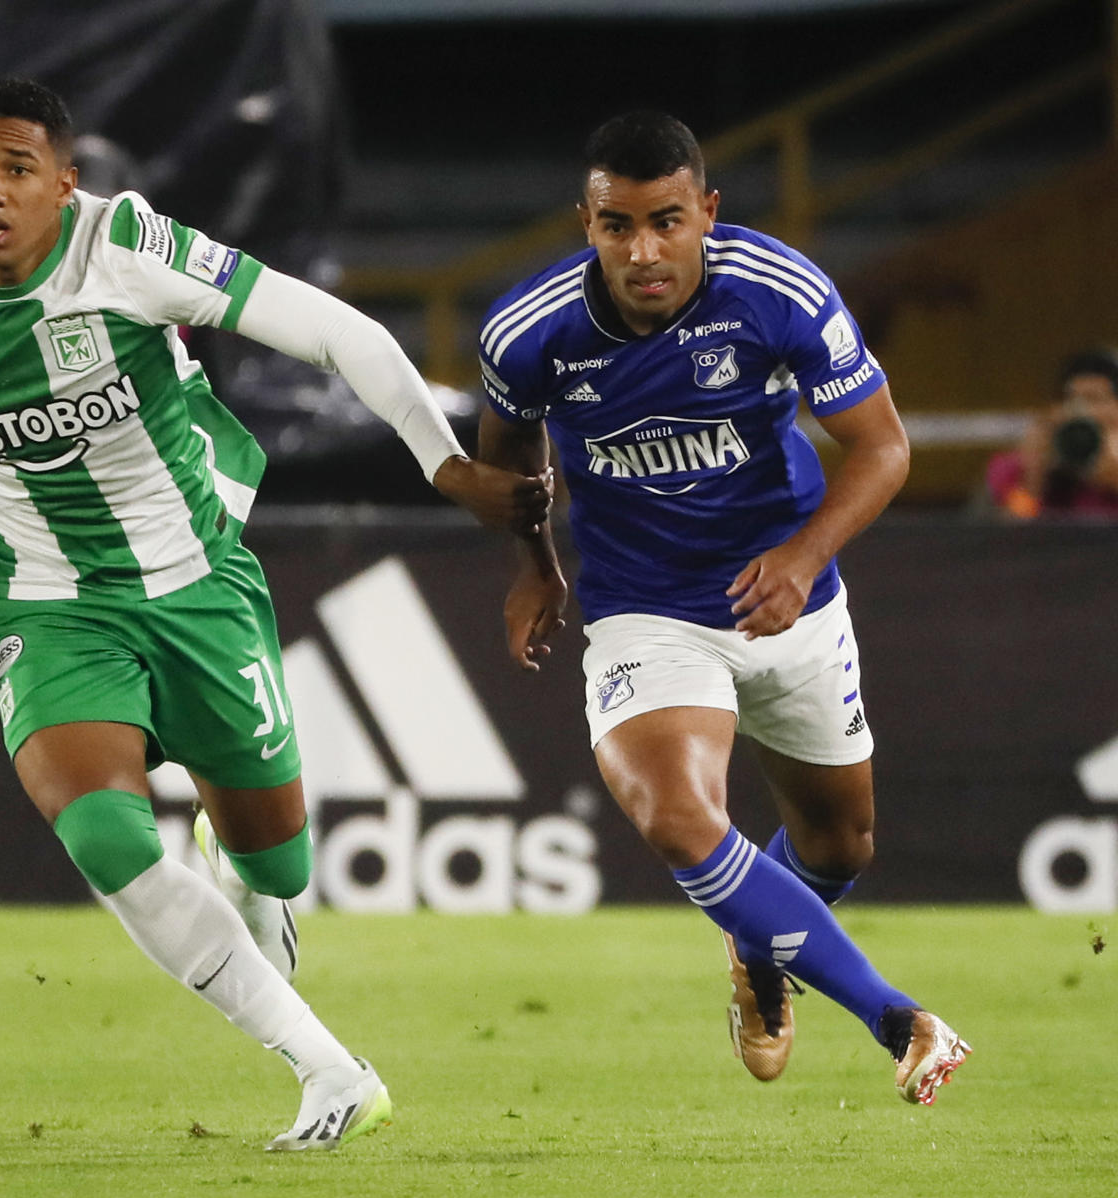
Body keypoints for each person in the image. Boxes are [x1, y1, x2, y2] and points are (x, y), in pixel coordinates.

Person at [0, 77, 549, 1150]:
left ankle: (240, 848)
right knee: (103, 831)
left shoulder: (130, 246)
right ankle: (331, 1071)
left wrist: (445, 465)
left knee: (279, 865)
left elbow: (336, 332)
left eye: (15, 170)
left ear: (66, 185)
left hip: (194, 577)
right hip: (47, 599)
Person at [473, 111, 969, 1105]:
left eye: (666, 221)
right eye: (617, 226)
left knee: (840, 844)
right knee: (678, 816)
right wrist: (537, 562)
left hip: (789, 599)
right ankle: (899, 1017)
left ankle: (760, 954)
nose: (643, 251)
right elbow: (509, 454)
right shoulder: (527, 333)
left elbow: (884, 448)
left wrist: (801, 555)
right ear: (587, 223)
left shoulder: (777, 293)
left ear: (707, 212)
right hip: (644, 611)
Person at [986, 347, 1118, 517]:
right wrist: (1033, 479)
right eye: (1070, 401)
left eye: (1095, 399)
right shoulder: (1014, 468)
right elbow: (1012, 533)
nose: (1082, 412)